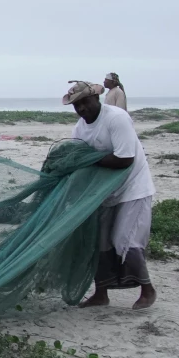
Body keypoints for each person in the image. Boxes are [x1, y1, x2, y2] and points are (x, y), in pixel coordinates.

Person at [64, 80, 157, 310]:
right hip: (105, 192)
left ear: (96, 98)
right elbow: (78, 156)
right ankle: (101, 294)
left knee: (126, 239)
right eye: (77, 106)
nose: (82, 108)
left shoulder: (116, 118)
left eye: (85, 102)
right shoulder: (80, 128)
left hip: (133, 187)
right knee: (100, 241)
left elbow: (125, 159)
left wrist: (90, 159)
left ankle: (147, 289)